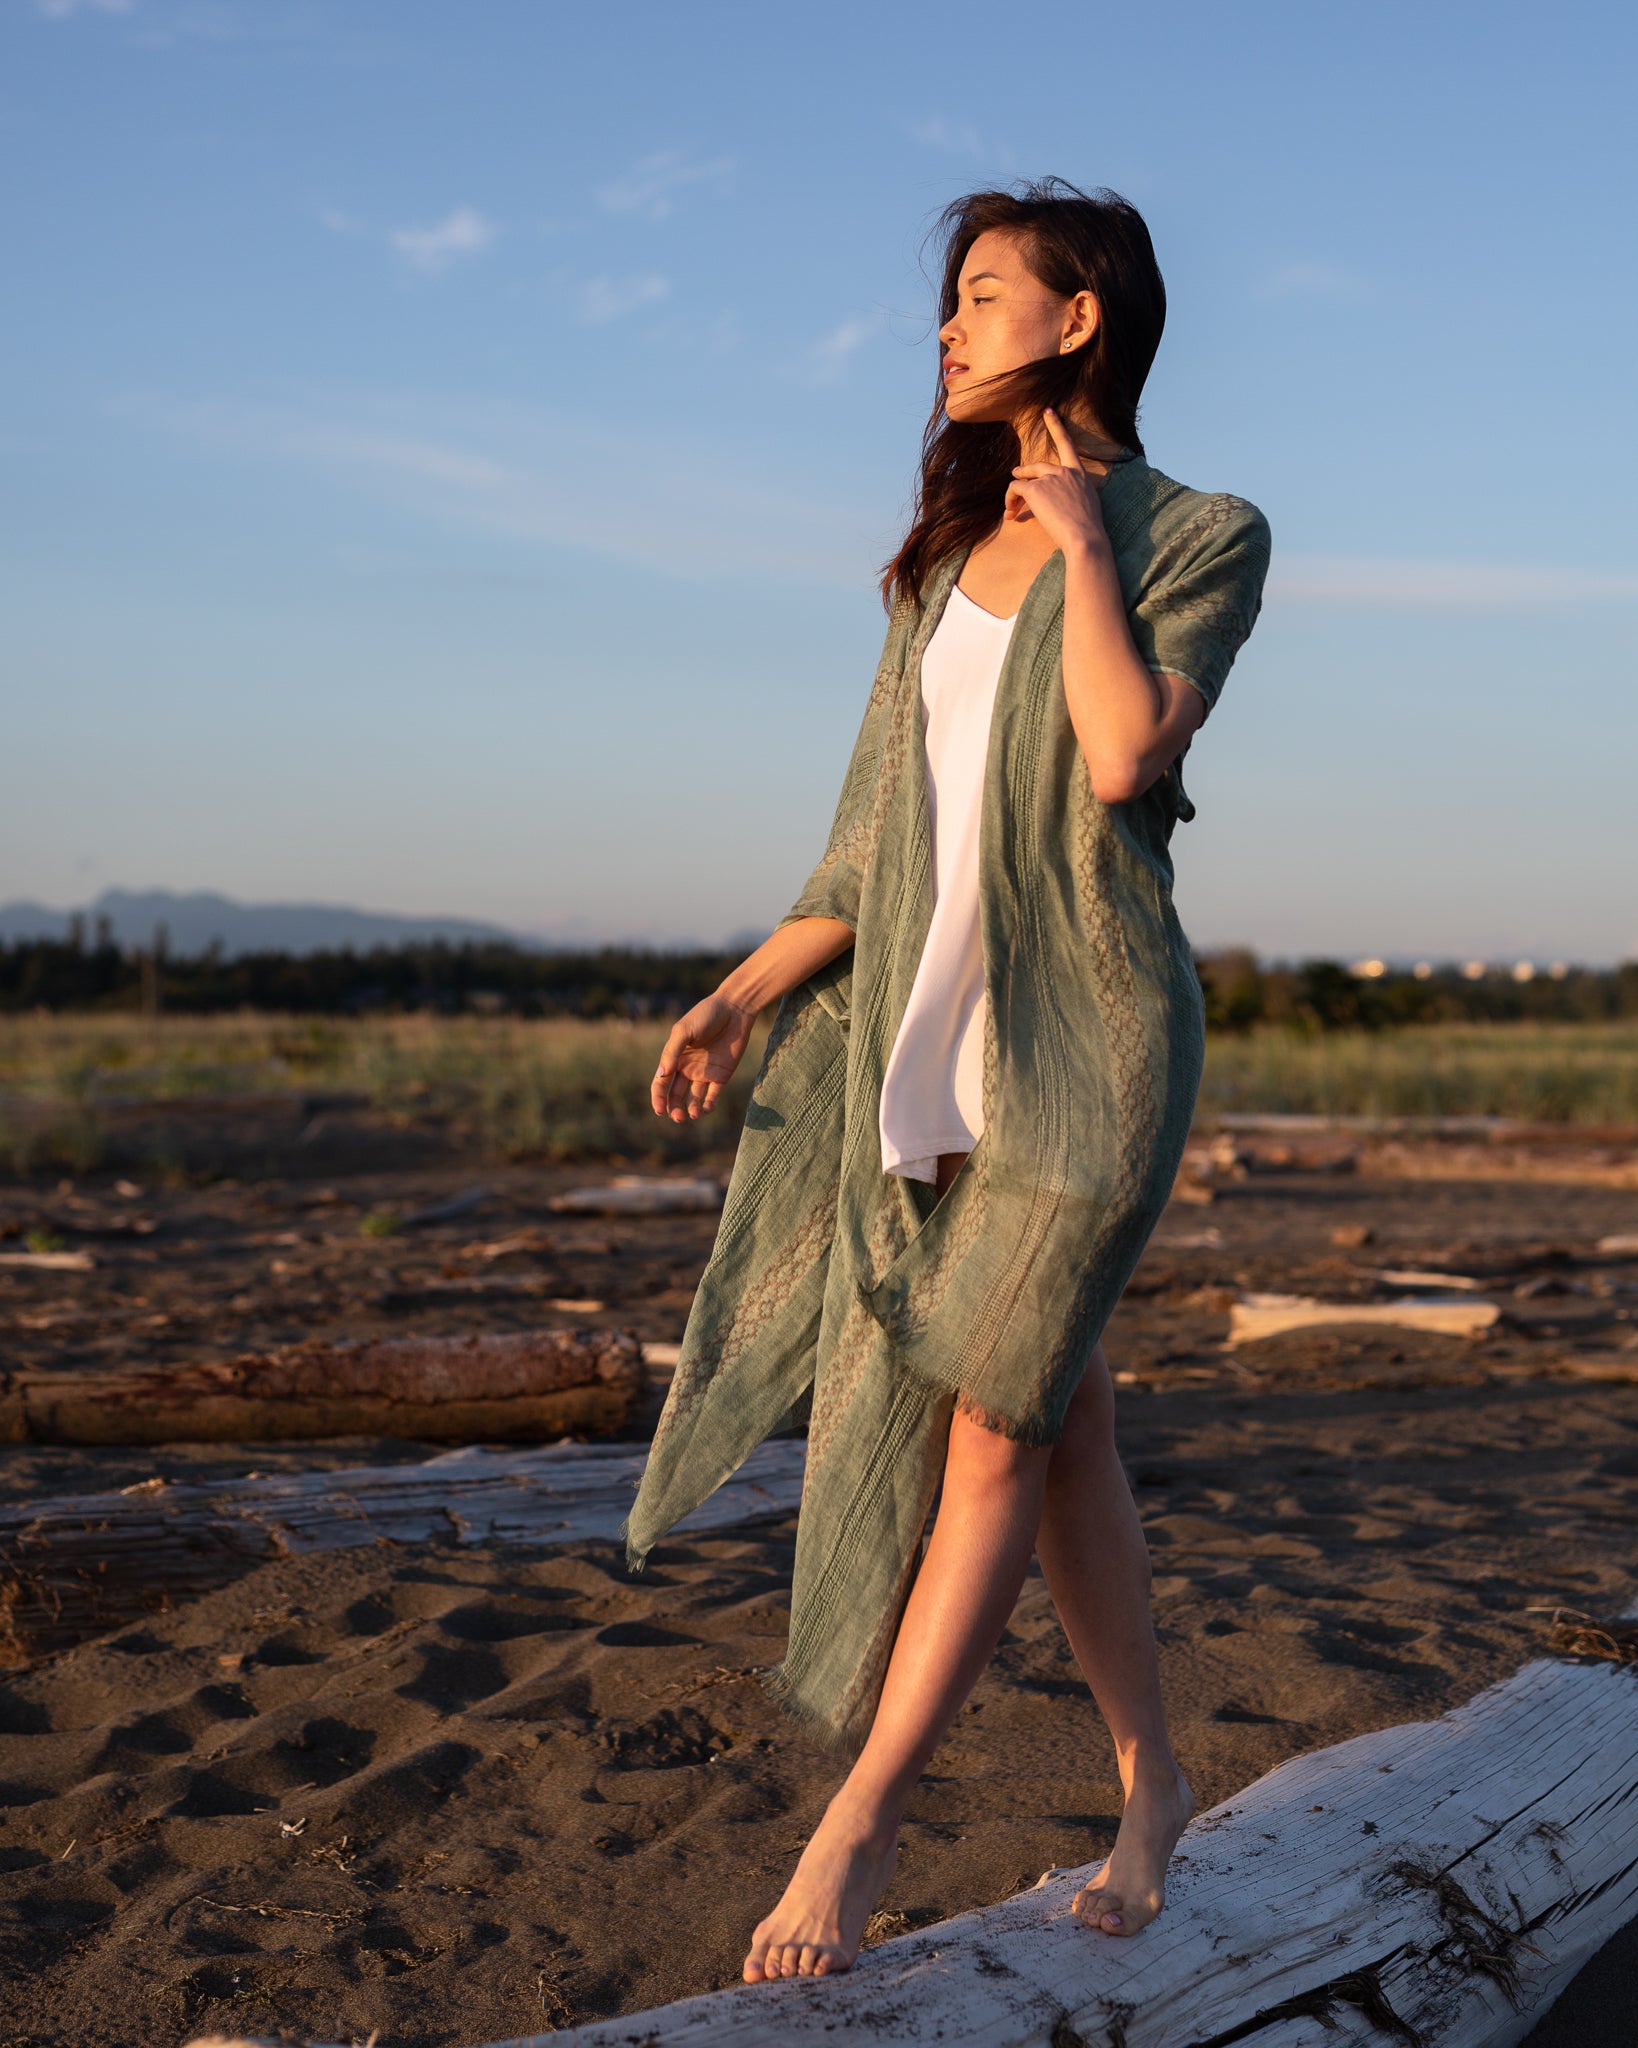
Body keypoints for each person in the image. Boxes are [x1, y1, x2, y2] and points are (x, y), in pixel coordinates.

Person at [631, 179, 1271, 1983]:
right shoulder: (927, 568)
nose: (946, 325)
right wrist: (740, 992)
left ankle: (860, 1819)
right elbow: (866, 844)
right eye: (946, 300)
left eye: (981, 294)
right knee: (1061, 1424)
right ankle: (1153, 1785)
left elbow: (1132, 750)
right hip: (931, 1051)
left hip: (1092, 1055)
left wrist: (1081, 546)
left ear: (1077, 319)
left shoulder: (1200, 529)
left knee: (994, 1427)